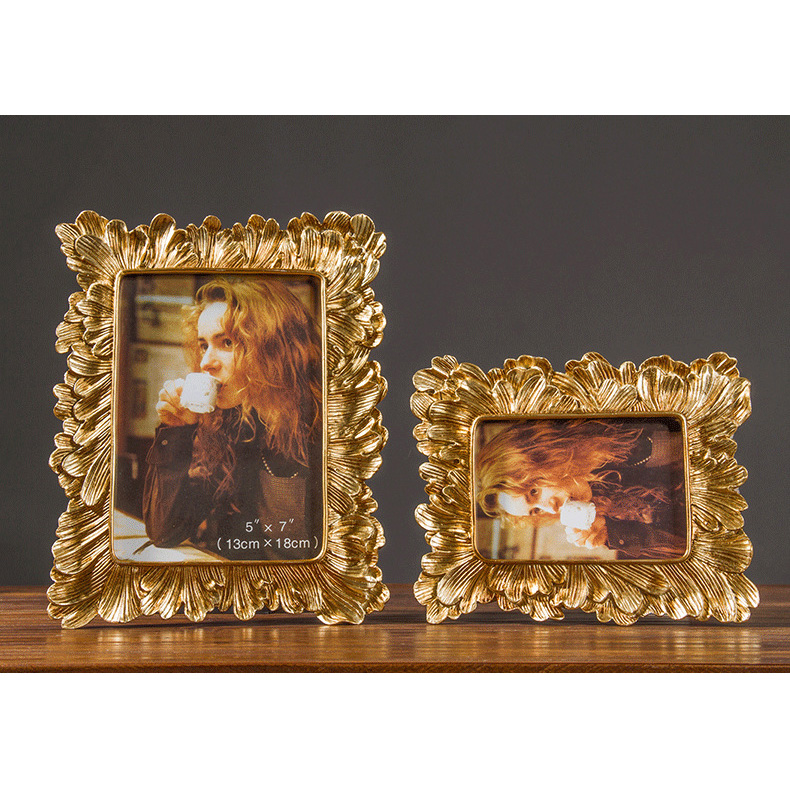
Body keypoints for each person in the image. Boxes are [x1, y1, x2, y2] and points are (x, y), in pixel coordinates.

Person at [142, 276, 322, 560]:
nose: (206, 363)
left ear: (274, 348)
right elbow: (164, 533)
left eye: (226, 342)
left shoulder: (326, 429)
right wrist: (176, 432)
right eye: (204, 345)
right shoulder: (234, 424)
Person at [475, 418, 687, 560]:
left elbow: (690, 448)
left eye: (534, 491)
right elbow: (689, 553)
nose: (552, 508)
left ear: (540, 455)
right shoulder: (599, 511)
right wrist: (613, 533)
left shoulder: (620, 430)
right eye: (536, 510)